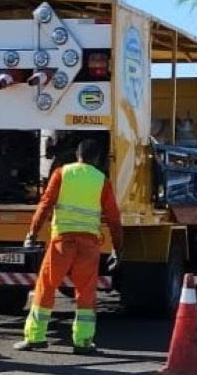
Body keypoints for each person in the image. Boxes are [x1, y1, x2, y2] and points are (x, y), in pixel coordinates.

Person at [16, 138, 123, 355]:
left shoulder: (62, 173)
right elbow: (113, 218)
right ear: (97, 159)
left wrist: (32, 233)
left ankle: (35, 337)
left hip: (62, 242)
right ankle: (83, 341)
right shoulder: (101, 180)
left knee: (46, 286)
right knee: (85, 292)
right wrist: (118, 249)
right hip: (89, 244)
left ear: (77, 155)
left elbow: (45, 204)